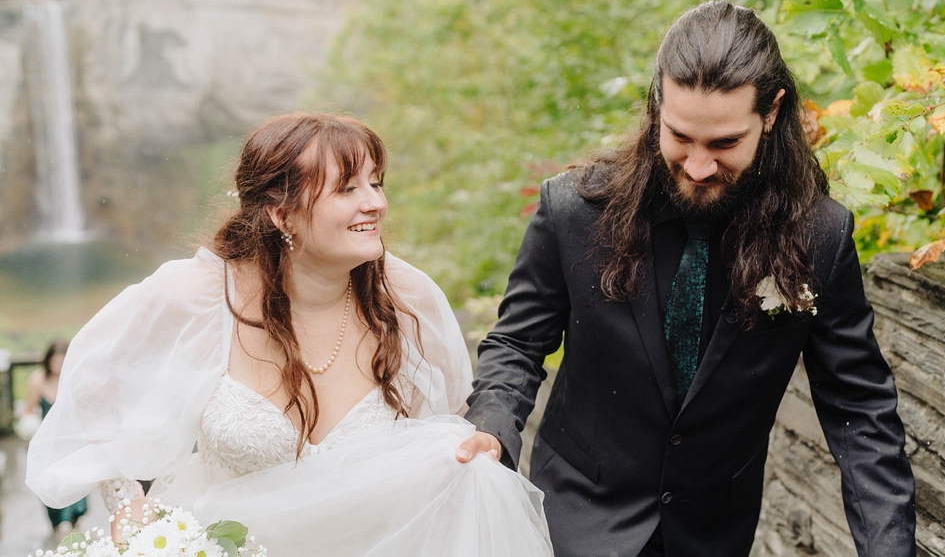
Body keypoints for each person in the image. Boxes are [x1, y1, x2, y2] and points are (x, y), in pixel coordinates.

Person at [454, 0, 916, 556]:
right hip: (575, 519)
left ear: (771, 112)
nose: (698, 166)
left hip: (713, 534)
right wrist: (493, 425)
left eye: (724, 143)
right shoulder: (572, 210)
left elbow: (860, 412)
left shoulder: (820, 235)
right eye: (680, 137)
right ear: (656, 104)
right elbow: (518, 344)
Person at [27, 114, 553, 555]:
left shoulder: (408, 301)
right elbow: (95, 386)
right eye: (348, 189)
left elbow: (445, 443)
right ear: (281, 212)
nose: (374, 203)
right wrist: (130, 506)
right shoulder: (199, 295)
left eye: (376, 183)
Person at [23, 341, 89, 537]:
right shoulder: (38, 380)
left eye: (62, 360)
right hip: (48, 444)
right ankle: (56, 520)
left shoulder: (75, 379)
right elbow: (27, 411)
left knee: (75, 481)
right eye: (54, 360)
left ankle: (73, 520)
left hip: (72, 441)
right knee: (51, 483)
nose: (58, 365)